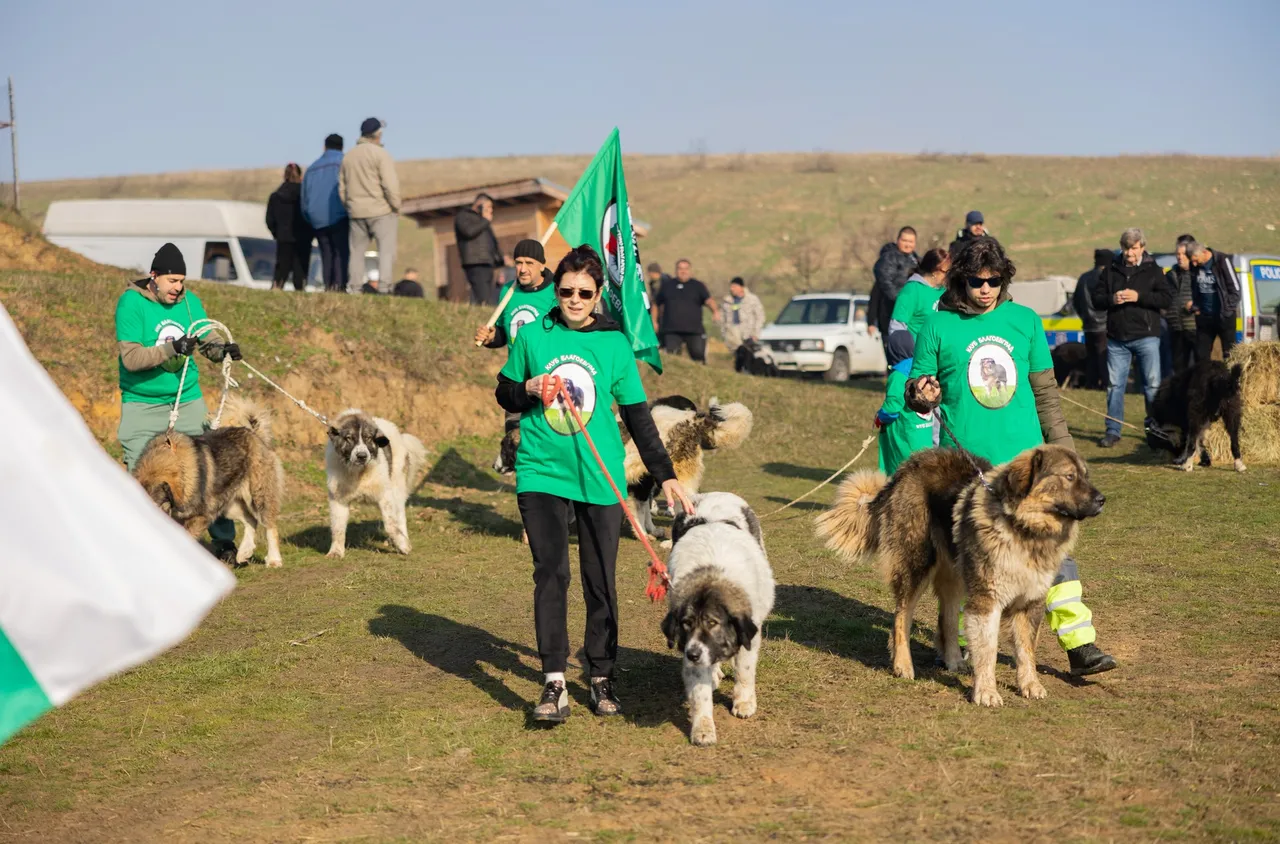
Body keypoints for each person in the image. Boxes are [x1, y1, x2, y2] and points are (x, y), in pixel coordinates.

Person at [495, 245, 694, 722]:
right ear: (556, 290)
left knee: (599, 580)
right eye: (566, 291)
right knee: (552, 574)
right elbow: (504, 388)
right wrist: (527, 389)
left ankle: (602, 675)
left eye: (585, 292)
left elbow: (638, 416)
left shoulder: (613, 344)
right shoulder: (534, 336)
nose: (575, 299)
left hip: (600, 477)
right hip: (542, 472)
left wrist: (665, 474)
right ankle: (554, 683)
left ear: (598, 293)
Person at [904, 236, 1117, 676]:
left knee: (1054, 551)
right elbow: (918, 393)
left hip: (1031, 469)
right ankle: (965, 646)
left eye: (994, 280)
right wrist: (921, 394)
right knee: (975, 565)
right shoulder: (935, 326)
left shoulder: (1025, 322)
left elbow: (1047, 395)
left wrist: (1069, 456)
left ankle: (1079, 642)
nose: (985, 289)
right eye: (976, 281)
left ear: (1004, 278)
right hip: (969, 470)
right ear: (960, 281)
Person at [115, 243, 243, 562]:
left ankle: (224, 541)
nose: (178, 287)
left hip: (186, 400)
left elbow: (206, 340)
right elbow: (131, 359)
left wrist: (223, 350)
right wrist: (172, 349)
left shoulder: (190, 303)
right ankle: (143, 549)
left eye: (182, 280)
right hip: (142, 404)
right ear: (154, 277)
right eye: (172, 281)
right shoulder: (131, 303)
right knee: (143, 478)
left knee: (206, 472)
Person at [1091, 228, 1170, 448]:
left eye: (1134, 248)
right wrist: (1111, 298)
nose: (1129, 253)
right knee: (1115, 386)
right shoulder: (1110, 270)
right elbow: (1096, 299)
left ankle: (1154, 430)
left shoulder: (1154, 270)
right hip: (1117, 339)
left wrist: (1139, 297)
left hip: (1147, 337)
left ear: (1142, 247)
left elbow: (1166, 299)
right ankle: (1113, 431)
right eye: (1126, 248)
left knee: (1152, 386)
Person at [340, 118, 401, 294]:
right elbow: (390, 184)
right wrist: (395, 205)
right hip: (381, 210)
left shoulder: (349, 156)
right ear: (377, 134)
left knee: (357, 253)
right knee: (386, 251)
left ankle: (354, 287)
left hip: (356, 212)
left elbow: (342, 188)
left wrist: (350, 206)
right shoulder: (380, 154)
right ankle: (384, 287)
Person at [874, 329, 935, 476]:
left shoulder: (898, 376)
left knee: (901, 476)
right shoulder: (922, 369)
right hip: (924, 434)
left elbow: (892, 408)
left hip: (904, 437)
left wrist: (879, 417)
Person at [302, 134, 349, 293]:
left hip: (317, 218)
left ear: (325, 147)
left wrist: (309, 217)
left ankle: (329, 286)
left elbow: (304, 198)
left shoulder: (313, 167)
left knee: (326, 253)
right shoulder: (345, 163)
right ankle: (339, 286)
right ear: (342, 147)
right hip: (340, 215)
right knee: (341, 252)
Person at [886, 246, 950, 357]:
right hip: (916, 358)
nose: (949, 276)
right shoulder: (912, 290)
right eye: (946, 272)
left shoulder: (945, 291)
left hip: (939, 357)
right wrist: (907, 357)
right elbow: (897, 327)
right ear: (935, 271)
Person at [1186, 240, 1241, 363]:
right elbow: (1195, 289)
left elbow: (1236, 290)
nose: (1194, 264)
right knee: (1201, 356)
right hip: (1205, 318)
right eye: (1192, 261)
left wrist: (1227, 310)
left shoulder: (1222, 261)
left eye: (1196, 259)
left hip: (1224, 318)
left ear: (1204, 252)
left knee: (1230, 355)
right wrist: (1196, 306)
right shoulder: (1194, 267)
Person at [653, 259, 718, 362]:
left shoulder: (698, 286)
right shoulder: (667, 286)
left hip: (694, 330)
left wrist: (715, 312)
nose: (683, 271)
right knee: (672, 358)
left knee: (699, 357)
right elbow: (656, 304)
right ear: (676, 270)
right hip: (671, 330)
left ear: (690, 270)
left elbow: (709, 300)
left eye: (686, 269)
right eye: (680, 269)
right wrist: (654, 321)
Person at [867, 226, 919, 350]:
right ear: (898, 240)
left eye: (910, 241)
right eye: (904, 241)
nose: (907, 245)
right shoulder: (888, 258)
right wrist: (902, 302)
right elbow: (883, 286)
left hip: (912, 317)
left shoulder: (917, 261)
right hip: (891, 314)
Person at [265, 163, 313, 291]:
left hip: (284, 237)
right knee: (300, 272)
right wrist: (310, 233)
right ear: (300, 176)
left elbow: (270, 220)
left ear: (284, 176)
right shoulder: (306, 196)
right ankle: (300, 293)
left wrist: (277, 233)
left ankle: (276, 289)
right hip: (303, 238)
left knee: (281, 270)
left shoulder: (275, 196)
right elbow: (311, 215)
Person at [455, 193, 506, 305]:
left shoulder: (482, 221)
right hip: (475, 262)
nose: (490, 210)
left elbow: (492, 242)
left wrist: (500, 259)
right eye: (488, 207)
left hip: (487, 263)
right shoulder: (464, 216)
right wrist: (485, 221)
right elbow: (469, 232)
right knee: (483, 297)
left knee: (488, 296)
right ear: (479, 204)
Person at [1073, 249, 1113, 390]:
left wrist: (1085, 316)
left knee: (1091, 356)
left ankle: (1091, 383)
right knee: (1104, 356)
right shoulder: (1108, 277)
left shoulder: (1084, 278)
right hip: (1105, 325)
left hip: (1088, 324)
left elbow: (1076, 301)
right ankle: (1105, 384)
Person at [1166, 235, 1198, 379]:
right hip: (1175, 328)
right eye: (1177, 254)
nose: (1180, 257)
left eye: (1183, 254)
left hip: (1194, 328)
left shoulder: (1198, 273)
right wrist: (1165, 312)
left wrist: (1195, 305)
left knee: (1196, 369)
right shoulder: (1170, 275)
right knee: (1179, 370)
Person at [717, 277, 766, 353]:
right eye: (731, 287)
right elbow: (722, 318)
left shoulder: (752, 299)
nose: (732, 289)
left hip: (748, 335)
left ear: (742, 287)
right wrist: (724, 334)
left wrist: (756, 334)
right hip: (732, 336)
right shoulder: (727, 301)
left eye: (734, 287)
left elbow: (760, 317)